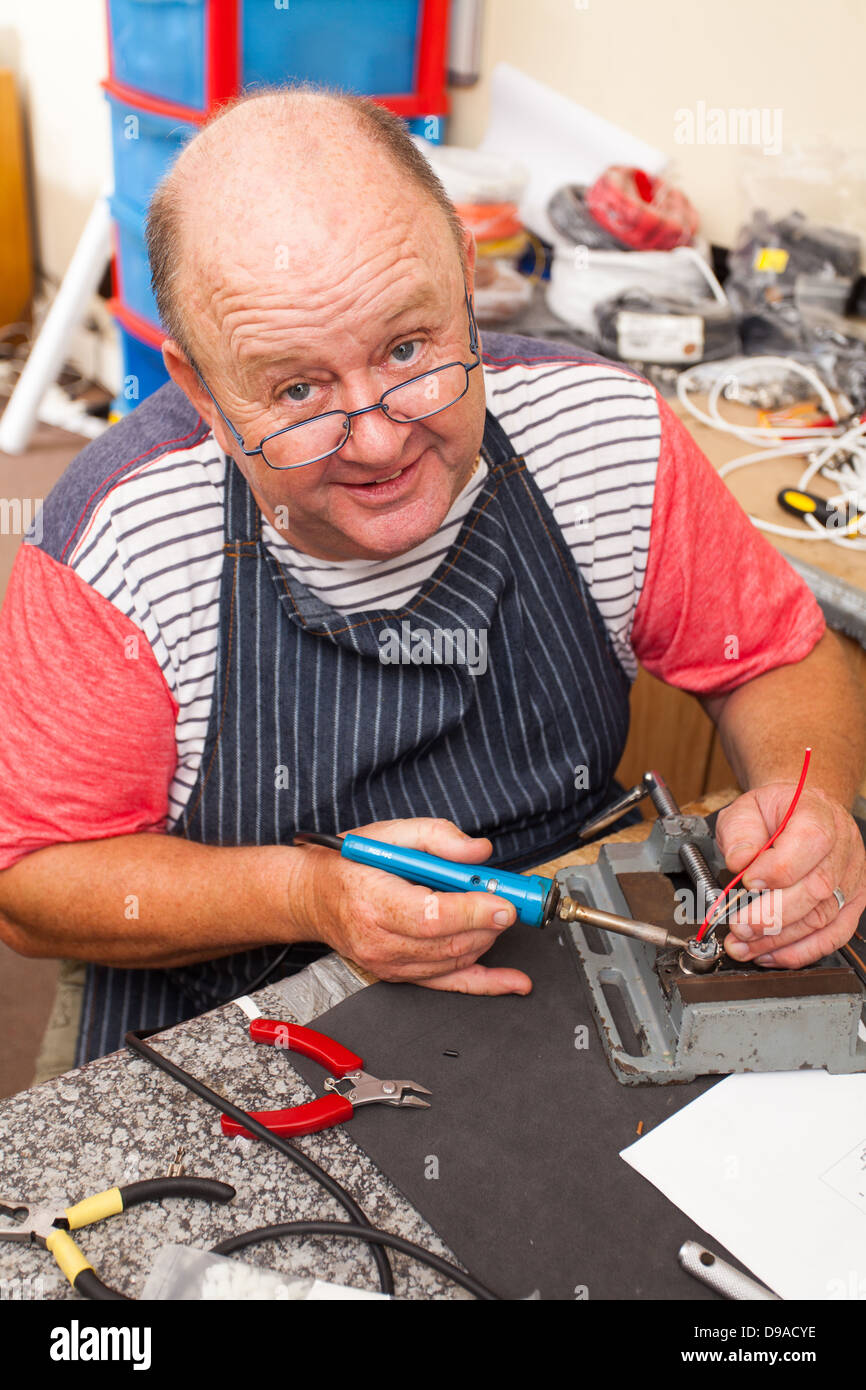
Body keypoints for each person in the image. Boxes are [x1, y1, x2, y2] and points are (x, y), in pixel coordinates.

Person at [1, 87, 864, 1066]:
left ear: (465, 274)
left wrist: (813, 812)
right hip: (229, 996)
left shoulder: (607, 438)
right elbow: (36, 883)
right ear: (199, 385)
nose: (376, 439)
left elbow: (775, 656)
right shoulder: (116, 544)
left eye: (406, 348)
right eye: (297, 390)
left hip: (563, 951)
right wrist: (308, 894)